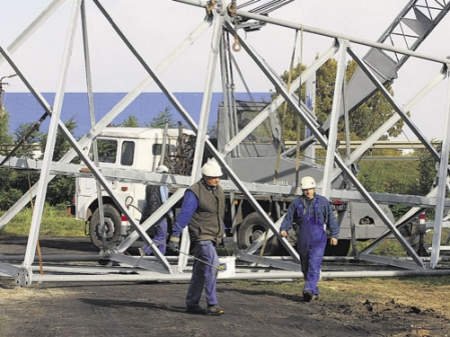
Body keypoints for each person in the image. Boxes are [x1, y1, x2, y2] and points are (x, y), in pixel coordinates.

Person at [168, 158, 225, 316]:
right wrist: (175, 235)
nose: (217, 179)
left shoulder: (219, 190)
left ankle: (192, 303)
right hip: (202, 236)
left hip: (214, 236)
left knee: (200, 270)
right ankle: (212, 303)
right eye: (214, 177)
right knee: (213, 266)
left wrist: (223, 233)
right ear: (206, 177)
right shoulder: (194, 192)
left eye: (218, 177)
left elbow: (219, 214)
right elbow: (185, 214)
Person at [280, 176, 339, 302]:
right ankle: (314, 290)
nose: (308, 191)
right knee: (305, 266)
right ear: (302, 190)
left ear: (314, 188)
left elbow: (331, 219)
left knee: (314, 263)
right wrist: (284, 229)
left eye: (310, 189)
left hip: (318, 239)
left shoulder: (323, 202)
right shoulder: (296, 203)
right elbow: (288, 217)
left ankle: (308, 289)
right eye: (305, 189)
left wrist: (334, 235)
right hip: (303, 238)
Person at [139, 165, 173, 255]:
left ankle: (161, 255)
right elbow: (164, 200)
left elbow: (146, 202)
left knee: (162, 235)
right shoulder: (162, 184)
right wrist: (170, 214)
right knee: (162, 235)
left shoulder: (149, 185)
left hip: (152, 214)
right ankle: (146, 249)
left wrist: (144, 215)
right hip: (160, 213)